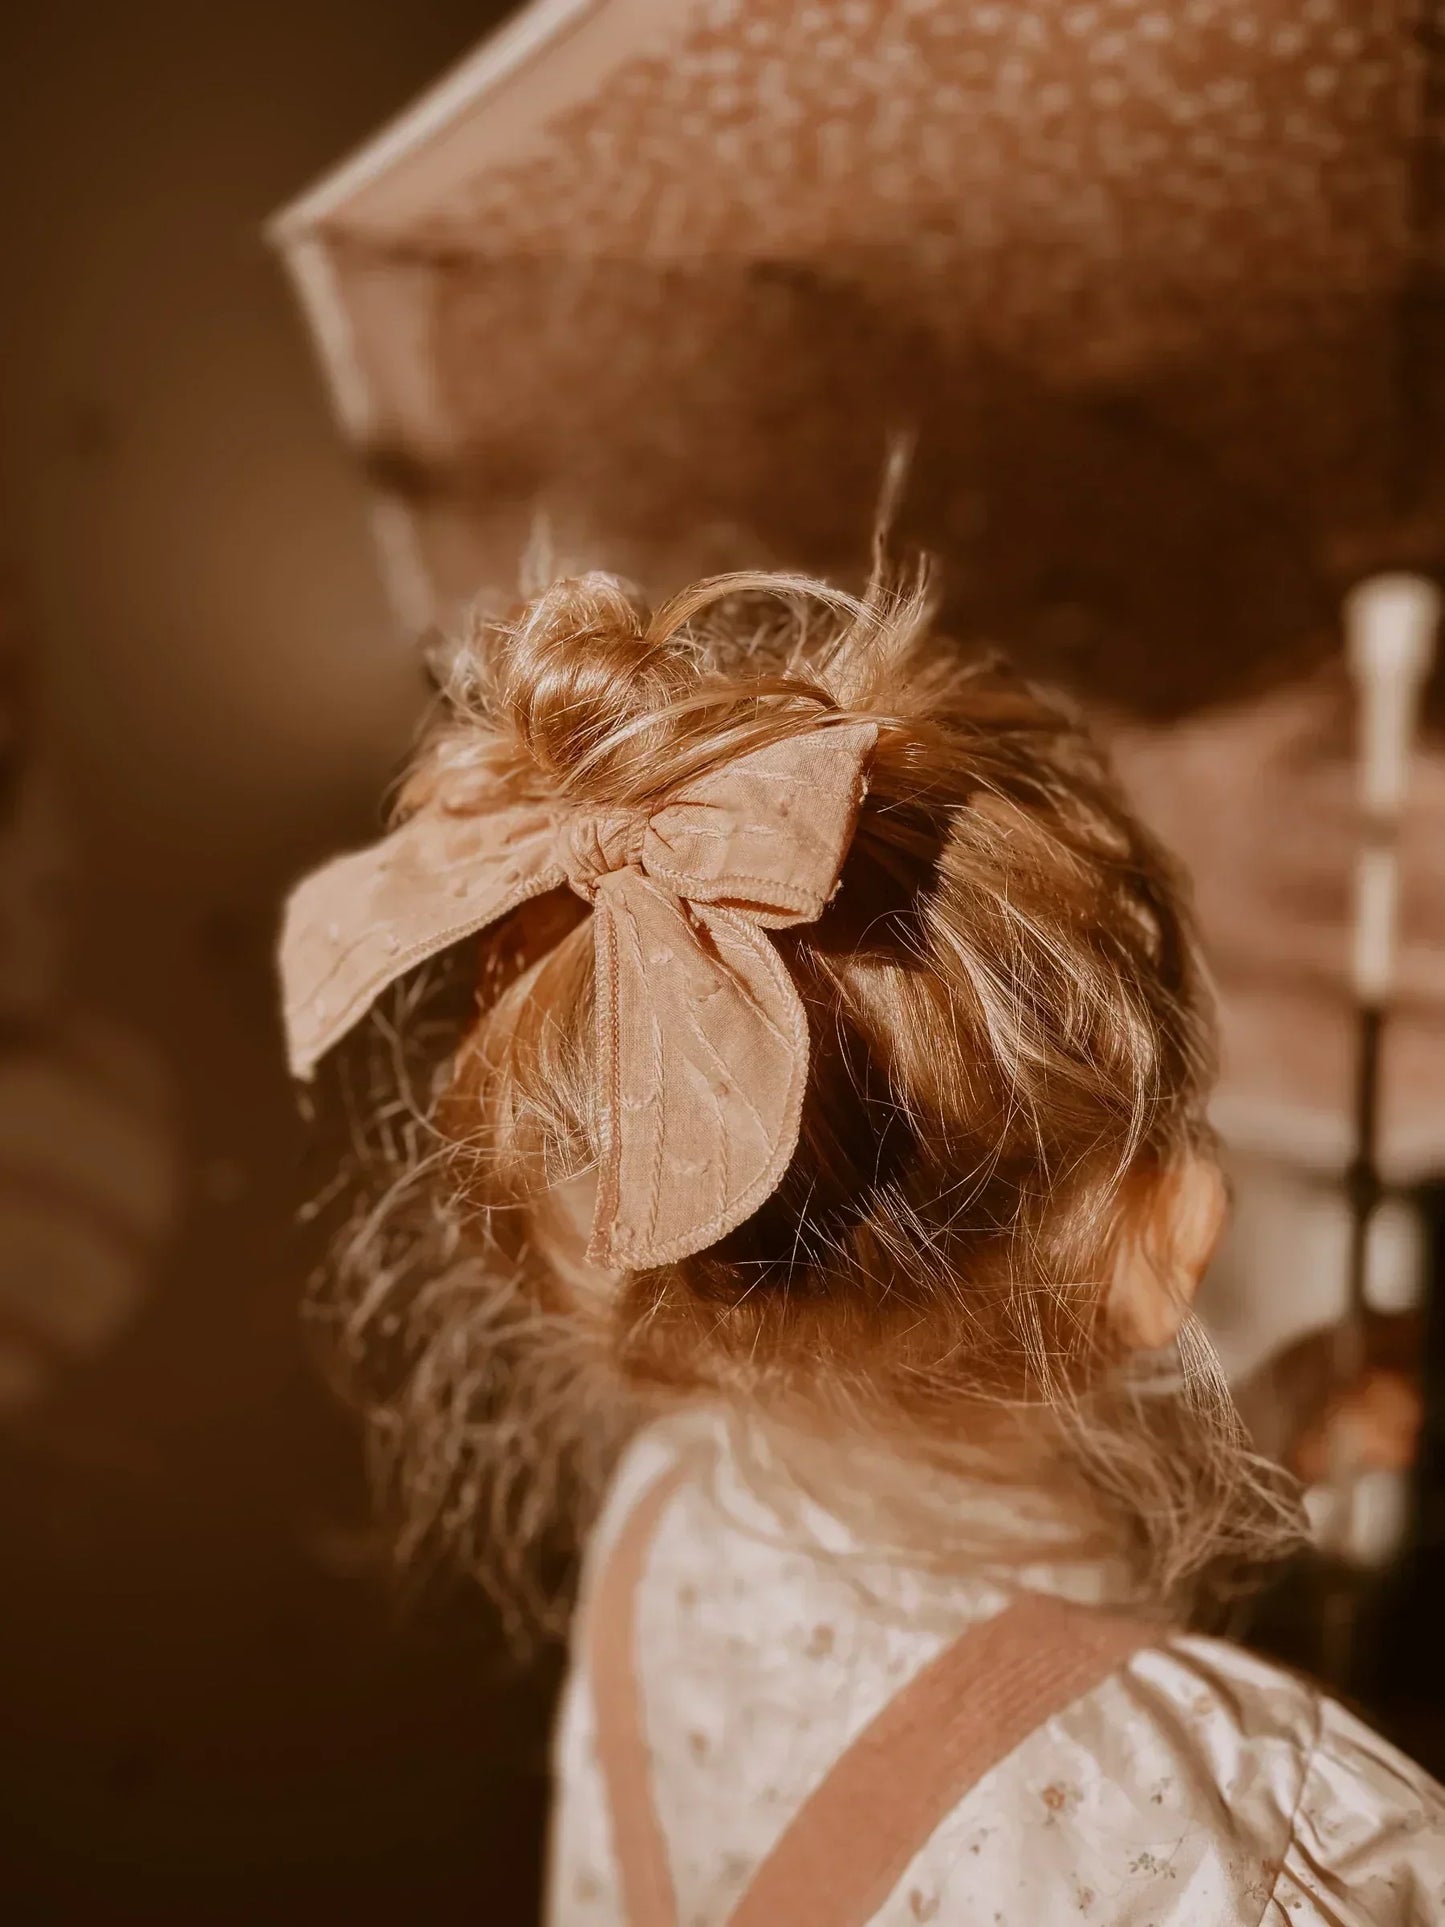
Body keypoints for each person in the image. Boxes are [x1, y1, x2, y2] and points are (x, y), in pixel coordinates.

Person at [280, 564, 1445, 1925]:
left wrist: (1279, 1420)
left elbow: (973, 1645)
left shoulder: (672, 1512)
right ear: (1173, 1237)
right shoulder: (1264, 1828)